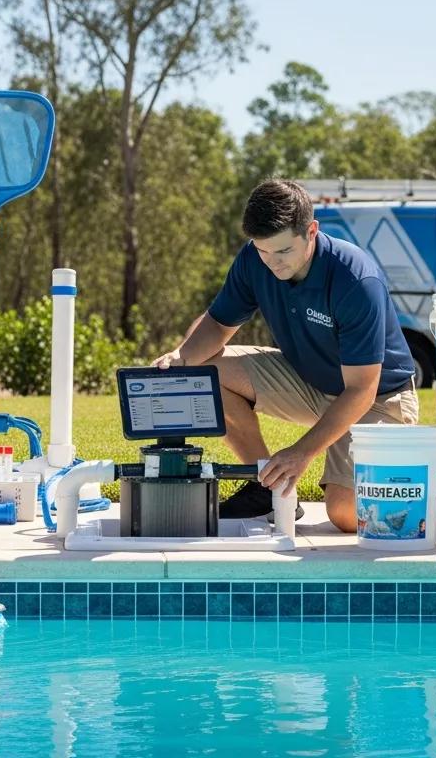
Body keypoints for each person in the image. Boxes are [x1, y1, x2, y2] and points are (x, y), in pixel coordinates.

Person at [153, 179, 419, 533]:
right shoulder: (255, 259)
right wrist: (180, 358)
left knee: (346, 514)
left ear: (311, 231)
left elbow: (362, 390)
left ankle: (418, 473)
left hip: (377, 399)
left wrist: (301, 452)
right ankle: (267, 488)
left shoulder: (355, 280)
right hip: (309, 379)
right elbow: (216, 325)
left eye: (282, 251)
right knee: (202, 372)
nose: (272, 263)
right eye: (263, 251)